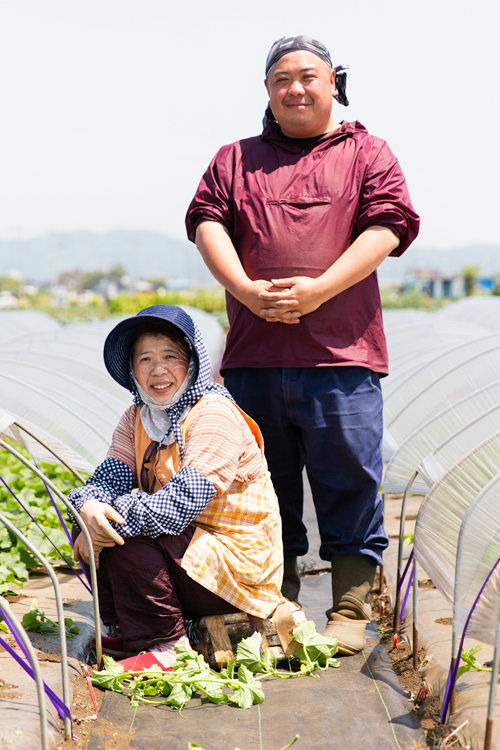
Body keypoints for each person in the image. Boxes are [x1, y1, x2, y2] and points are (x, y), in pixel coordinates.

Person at [185, 35, 420, 654]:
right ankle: (275, 601)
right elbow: (207, 220)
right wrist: (243, 287)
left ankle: (349, 607)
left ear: (334, 81)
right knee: (262, 484)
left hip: (342, 355)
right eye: (281, 78)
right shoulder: (235, 158)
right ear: (267, 91)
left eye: (308, 76)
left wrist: (319, 291)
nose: (295, 88)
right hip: (255, 357)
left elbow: (388, 226)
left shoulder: (368, 152)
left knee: (351, 477)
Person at [67, 304, 289, 668]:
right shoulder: (138, 416)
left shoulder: (213, 413)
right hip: (185, 553)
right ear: (132, 369)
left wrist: (106, 515)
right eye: (145, 359)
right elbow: (108, 477)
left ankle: (168, 646)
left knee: (120, 528)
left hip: (232, 566)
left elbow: (180, 505)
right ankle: (135, 628)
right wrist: (89, 506)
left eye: (170, 356)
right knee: (91, 519)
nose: (158, 370)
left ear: (194, 362)